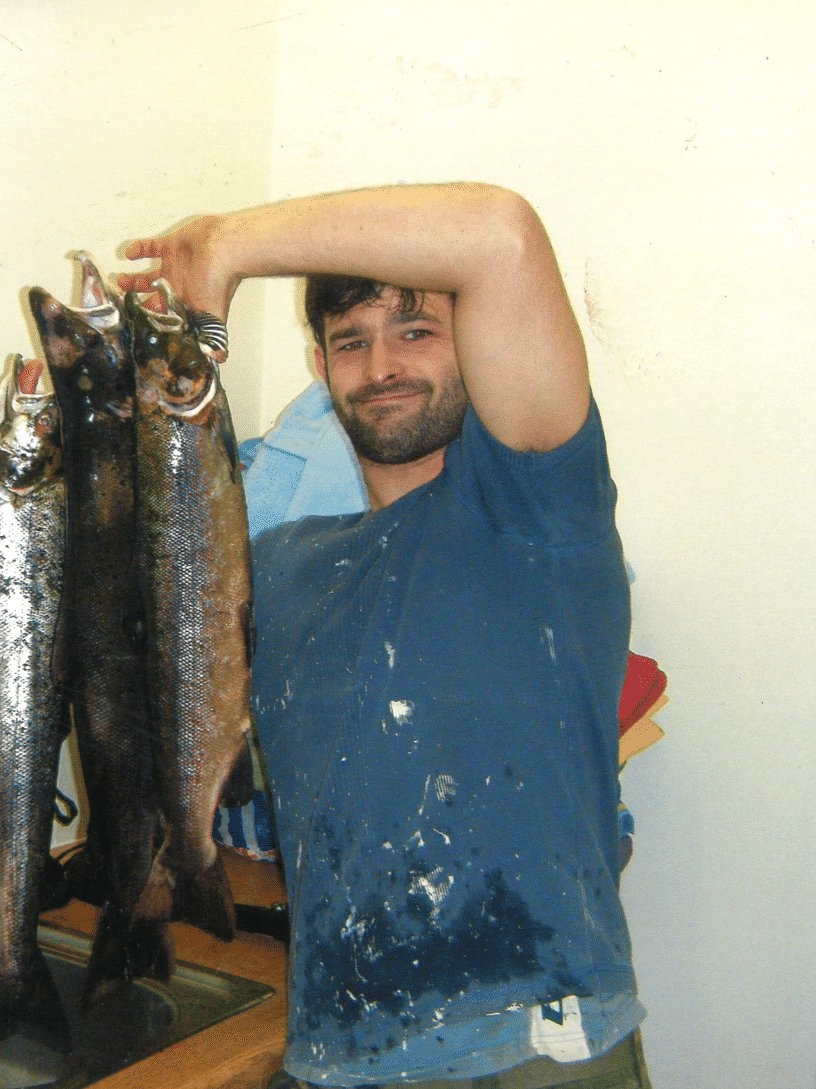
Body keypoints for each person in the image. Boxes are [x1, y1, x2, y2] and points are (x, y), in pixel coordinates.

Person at [117, 183, 649, 1088]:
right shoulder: (278, 562)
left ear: (475, 344)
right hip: (332, 1054)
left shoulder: (531, 504)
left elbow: (499, 235)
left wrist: (227, 245)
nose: (381, 365)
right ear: (322, 371)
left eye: (416, 330)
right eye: (350, 342)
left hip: (528, 1045)